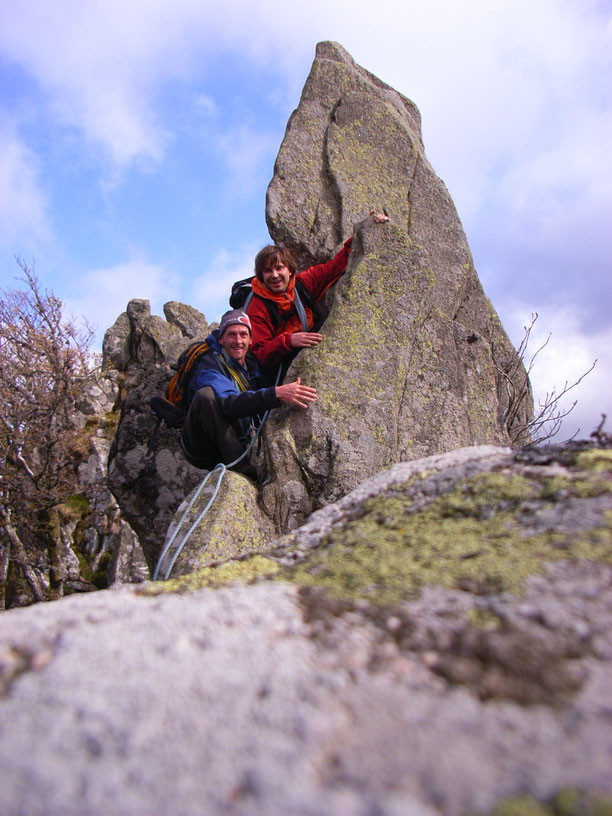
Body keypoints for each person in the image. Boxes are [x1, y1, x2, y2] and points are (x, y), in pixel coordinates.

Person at [180, 309, 317, 480]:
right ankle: (243, 471)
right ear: (221, 339)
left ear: (251, 340)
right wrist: (276, 394)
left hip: (236, 436)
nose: (238, 341)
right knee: (206, 396)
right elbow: (228, 404)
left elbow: (269, 353)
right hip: (201, 448)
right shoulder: (209, 365)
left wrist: (289, 341)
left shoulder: (251, 365)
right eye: (232, 335)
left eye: (243, 335)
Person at [247, 210, 390, 371]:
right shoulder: (257, 306)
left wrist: (370, 227)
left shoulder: (303, 284)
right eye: (267, 271)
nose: (274, 275)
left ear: (290, 270)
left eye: (279, 268)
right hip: (280, 366)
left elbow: (337, 265)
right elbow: (260, 354)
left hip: (309, 344)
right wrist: (288, 341)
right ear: (261, 275)